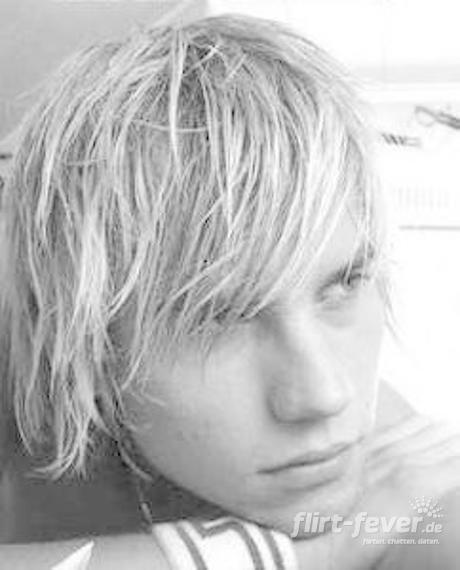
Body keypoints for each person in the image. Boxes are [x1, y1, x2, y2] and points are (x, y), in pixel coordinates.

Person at [0, 13, 459, 570]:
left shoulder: (382, 443)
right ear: (86, 344)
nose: (323, 396)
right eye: (215, 315)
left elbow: (431, 522)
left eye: (343, 283)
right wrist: (309, 554)